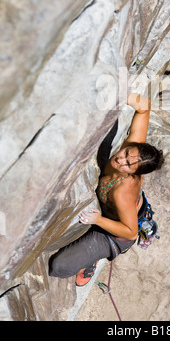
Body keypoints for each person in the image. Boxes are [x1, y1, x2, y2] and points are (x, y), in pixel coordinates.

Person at [49, 93, 163, 286]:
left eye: (127, 164)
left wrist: (98, 220)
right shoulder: (133, 151)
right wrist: (117, 93)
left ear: (134, 174)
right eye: (126, 153)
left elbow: (131, 233)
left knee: (59, 267)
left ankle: (91, 260)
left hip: (116, 235)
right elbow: (144, 107)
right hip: (118, 211)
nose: (120, 160)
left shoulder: (122, 192)